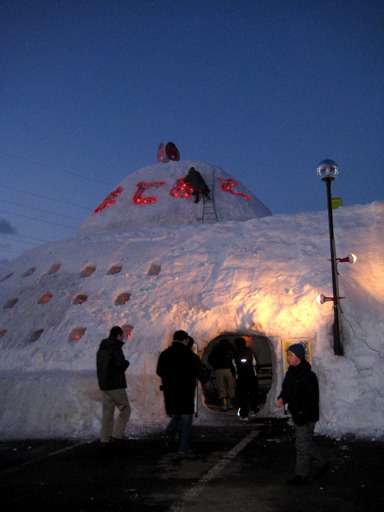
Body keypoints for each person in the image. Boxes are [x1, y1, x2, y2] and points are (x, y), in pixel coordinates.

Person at [276, 343, 329, 486]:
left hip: (306, 416)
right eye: (288, 355)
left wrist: (302, 414)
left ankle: (301, 475)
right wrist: (282, 398)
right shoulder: (290, 373)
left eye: (291, 355)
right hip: (298, 413)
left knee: (301, 445)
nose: (288, 358)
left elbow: (311, 398)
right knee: (305, 442)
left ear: (299, 356)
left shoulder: (308, 375)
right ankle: (323, 463)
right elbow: (286, 391)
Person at [156, 330, 201, 454]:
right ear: (185, 340)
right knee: (186, 419)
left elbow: (159, 371)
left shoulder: (165, 354)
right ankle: (183, 447)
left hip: (171, 391)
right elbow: (198, 371)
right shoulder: (190, 355)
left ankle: (168, 434)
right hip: (185, 391)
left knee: (176, 414)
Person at [96, 326, 131, 449]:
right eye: (121, 336)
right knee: (125, 409)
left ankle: (105, 440)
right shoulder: (115, 348)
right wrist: (126, 363)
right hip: (116, 384)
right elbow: (120, 365)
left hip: (105, 385)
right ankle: (117, 436)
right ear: (118, 336)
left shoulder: (102, 349)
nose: (122, 338)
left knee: (107, 414)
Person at [232, 337, 259, 420]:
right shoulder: (250, 351)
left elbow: (233, 366)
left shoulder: (235, 353)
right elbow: (256, 363)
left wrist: (235, 375)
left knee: (242, 395)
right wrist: (255, 372)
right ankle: (254, 410)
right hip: (251, 376)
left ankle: (244, 414)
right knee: (253, 393)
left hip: (240, 377)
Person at [208, 339, 236, 411]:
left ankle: (224, 405)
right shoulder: (231, 348)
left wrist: (215, 366)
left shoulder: (216, 349)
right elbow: (235, 359)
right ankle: (231, 404)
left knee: (221, 387)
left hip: (218, 370)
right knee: (230, 386)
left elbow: (210, 359)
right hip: (228, 369)